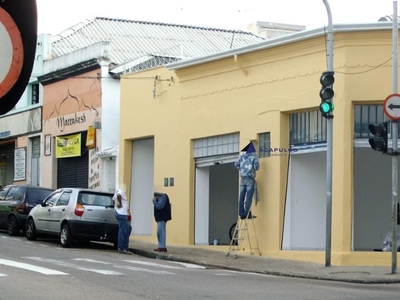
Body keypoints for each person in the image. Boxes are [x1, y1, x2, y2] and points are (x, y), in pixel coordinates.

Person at [235, 142, 260, 219]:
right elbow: (257, 167)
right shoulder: (254, 156)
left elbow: (236, 164)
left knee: (242, 196)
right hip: (250, 178)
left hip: (242, 177)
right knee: (248, 196)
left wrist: (242, 169)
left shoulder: (242, 155)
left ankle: (241, 213)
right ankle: (246, 213)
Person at [113, 188, 131, 254]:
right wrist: (120, 204)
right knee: (124, 231)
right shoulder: (121, 191)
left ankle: (124, 247)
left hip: (119, 212)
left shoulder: (116, 192)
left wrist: (116, 207)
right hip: (122, 213)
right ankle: (122, 247)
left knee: (126, 229)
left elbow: (113, 200)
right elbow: (119, 195)